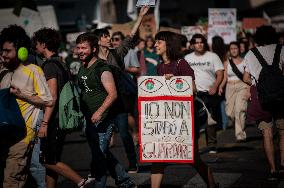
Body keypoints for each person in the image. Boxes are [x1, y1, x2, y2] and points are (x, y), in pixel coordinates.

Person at [151, 31, 218, 188]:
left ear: (168, 45)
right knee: (158, 158)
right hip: (165, 119)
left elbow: (192, 90)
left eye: (158, 42)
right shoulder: (160, 66)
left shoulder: (181, 64)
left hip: (183, 120)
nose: (155, 45)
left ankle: (212, 185)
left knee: (192, 158)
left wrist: (174, 81)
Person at [93, 5, 149, 174]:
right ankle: (100, 167)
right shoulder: (92, 60)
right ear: (98, 41)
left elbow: (130, 38)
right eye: (105, 37)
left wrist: (140, 16)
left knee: (125, 135)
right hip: (101, 105)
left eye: (108, 36)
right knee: (101, 140)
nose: (108, 38)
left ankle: (133, 164)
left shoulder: (116, 54)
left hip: (118, 105)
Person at [32, 28, 91, 188]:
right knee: (53, 159)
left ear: (43, 45)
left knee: (46, 160)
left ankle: (81, 182)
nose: (35, 47)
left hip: (54, 118)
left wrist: (44, 124)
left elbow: (52, 97)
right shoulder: (60, 62)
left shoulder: (50, 65)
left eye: (36, 44)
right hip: (61, 117)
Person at [76, 32, 136, 188]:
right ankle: (125, 181)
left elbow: (112, 94)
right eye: (78, 48)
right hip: (89, 119)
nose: (80, 51)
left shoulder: (102, 68)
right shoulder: (83, 67)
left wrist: (99, 112)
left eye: (84, 48)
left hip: (102, 119)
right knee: (103, 154)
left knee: (99, 157)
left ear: (94, 49)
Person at [0, 25, 53, 188]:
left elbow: (48, 100)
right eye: (2, 50)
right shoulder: (3, 72)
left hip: (23, 135)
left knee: (12, 179)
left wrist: (22, 95)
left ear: (21, 51)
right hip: (4, 133)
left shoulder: (33, 71)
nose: (3, 54)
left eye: (7, 51)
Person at [243, 25, 284, 181]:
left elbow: (246, 78)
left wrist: (256, 82)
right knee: (282, 132)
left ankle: (273, 170)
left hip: (261, 96)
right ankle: (283, 164)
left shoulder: (251, 54)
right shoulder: (281, 49)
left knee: (267, 134)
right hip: (281, 96)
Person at [185, 34, 224, 153]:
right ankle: (193, 146)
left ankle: (212, 145)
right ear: (192, 45)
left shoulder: (213, 56)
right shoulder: (187, 58)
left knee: (209, 119)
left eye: (201, 42)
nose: (199, 44)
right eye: (196, 43)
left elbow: (220, 73)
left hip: (209, 93)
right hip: (193, 93)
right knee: (192, 120)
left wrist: (215, 86)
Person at [218, 41, 250, 142]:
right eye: (231, 49)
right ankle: (236, 123)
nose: (234, 50)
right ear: (229, 51)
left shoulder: (245, 61)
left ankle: (240, 135)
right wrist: (220, 87)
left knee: (240, 110)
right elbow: (225, 78)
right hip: (230, 87)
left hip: (242, 86)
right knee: (229, 113)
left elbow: (248, 77)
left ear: (239, 49)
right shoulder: (226, 62)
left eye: (235, 48)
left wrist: (249, 90)